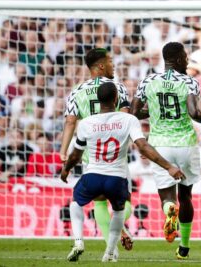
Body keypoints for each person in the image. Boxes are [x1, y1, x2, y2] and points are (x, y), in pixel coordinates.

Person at [61, 82, 185, 262]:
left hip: (92, 176)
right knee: (119, 210)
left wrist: (65, 170)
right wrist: (169, 167)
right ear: (116, 99)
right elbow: (143, 147)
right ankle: (110, 252)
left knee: (75, 202)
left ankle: (79, 241)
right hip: (117, 178)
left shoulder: (86, 123)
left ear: (98, 100)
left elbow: (75, 155)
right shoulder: (128, 120)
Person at [131, 42, 201, 259]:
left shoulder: (148, 81)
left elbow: (133, 112)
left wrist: (154, 112)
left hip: (160, 145)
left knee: (168, 196)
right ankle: (184, 247)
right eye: (185, 57)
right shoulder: (189, 82)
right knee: (186, 196)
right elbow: (194, 112)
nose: (187, 61)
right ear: (177, 59)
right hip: (185, 143)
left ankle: (169, 209)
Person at [59, 48, 134, 253]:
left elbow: (70, 121)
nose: (113, 65)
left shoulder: (77, 90)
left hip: (91, 153)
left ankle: (112, 248)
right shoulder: (117, 87)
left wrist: (63, 151)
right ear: (101, 66)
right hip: (116, 152)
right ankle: (118, 231)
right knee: (125, 202)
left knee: (98, 204)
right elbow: (125, 116)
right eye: (110, 61)